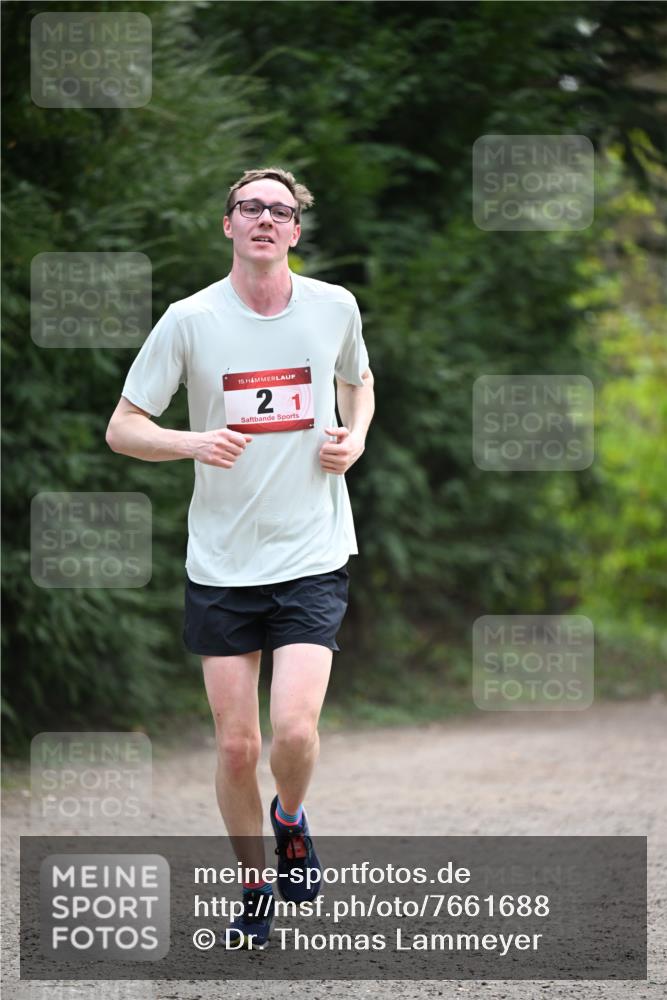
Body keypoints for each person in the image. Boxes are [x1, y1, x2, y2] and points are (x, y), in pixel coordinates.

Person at [105, 166, 374, 949]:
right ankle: (252, 884)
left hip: (312, 550)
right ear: (228, 225)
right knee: (235, 746)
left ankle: (290, 818)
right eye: (249, 207)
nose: (264, 218)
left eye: (279, 210)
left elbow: (358, 383)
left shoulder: (333, 307)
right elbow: (124, 426)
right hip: (222, 562)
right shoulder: (190, 320)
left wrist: (352, 437)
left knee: (290, 733)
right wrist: (192, 441)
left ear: (295, 230)